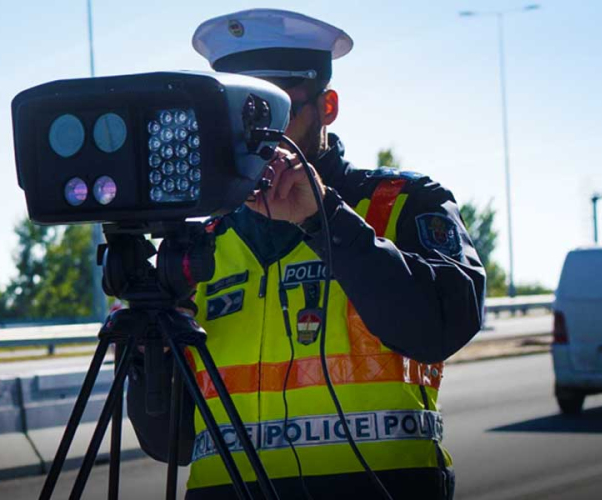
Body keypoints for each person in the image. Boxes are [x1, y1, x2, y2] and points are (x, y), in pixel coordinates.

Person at [127, 9, 486, 500]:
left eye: (279, 113)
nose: (257, 139)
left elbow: (441, 326)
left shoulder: (401, 202)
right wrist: (152, 353)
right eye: (242, 117)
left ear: (328, 106)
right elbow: (169, 443)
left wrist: (324, 219)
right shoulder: (196, 241)